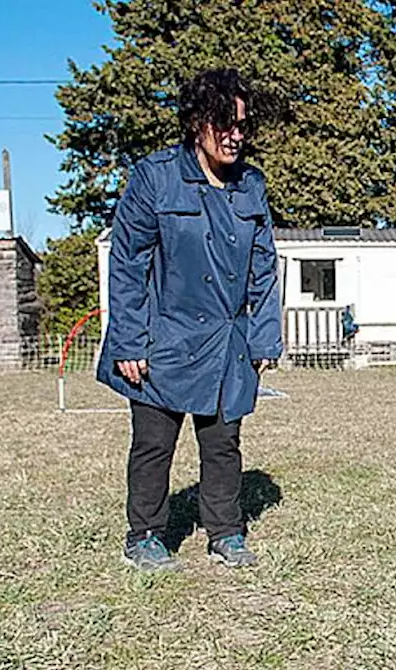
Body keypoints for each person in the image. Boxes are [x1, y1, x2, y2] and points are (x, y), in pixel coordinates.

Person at [97, 68, 283, 571]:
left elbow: (264, 266)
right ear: (197, 121)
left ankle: (225, 531)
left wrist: (264, 338)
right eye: (225, 123)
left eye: (243, 125)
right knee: (154, 444)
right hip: (162, 339)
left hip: (227, 342)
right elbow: (128, 263)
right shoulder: (154, 177)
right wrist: (129, 341)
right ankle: (145, 535)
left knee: (223, 444)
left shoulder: (251, 187)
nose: (236, 135)